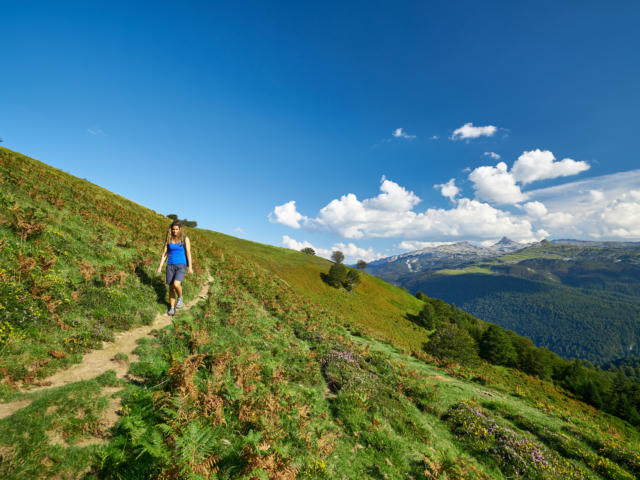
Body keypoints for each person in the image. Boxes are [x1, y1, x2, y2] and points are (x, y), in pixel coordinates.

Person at [156, 220, 193, 316]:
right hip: (170, 265)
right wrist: (160, 266)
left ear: (180, 229)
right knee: (171, 288)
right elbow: (165, 254)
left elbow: (188, 253)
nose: (175, 231)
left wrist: (190, 267)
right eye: (173, 229)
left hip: (181, 265)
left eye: (177, 229)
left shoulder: (185, 239)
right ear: (171, 230)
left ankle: (180, 298)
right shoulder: (169, 239)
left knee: (177, 284)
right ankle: (172, 308)